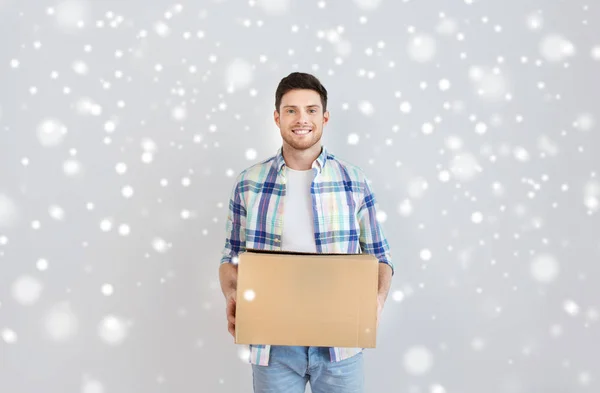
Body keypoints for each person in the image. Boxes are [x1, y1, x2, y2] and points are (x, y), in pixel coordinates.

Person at [219, 72, 394, 393]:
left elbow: (380, 256)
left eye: (311, 110)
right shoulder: (249, 182)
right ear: (277, 117)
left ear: (325, 117)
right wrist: (232, 293)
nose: (302, 119)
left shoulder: (354, 180)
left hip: (339, 346)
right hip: (273, 346)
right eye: (291, 110)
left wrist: (377, 301)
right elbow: (230, 257)